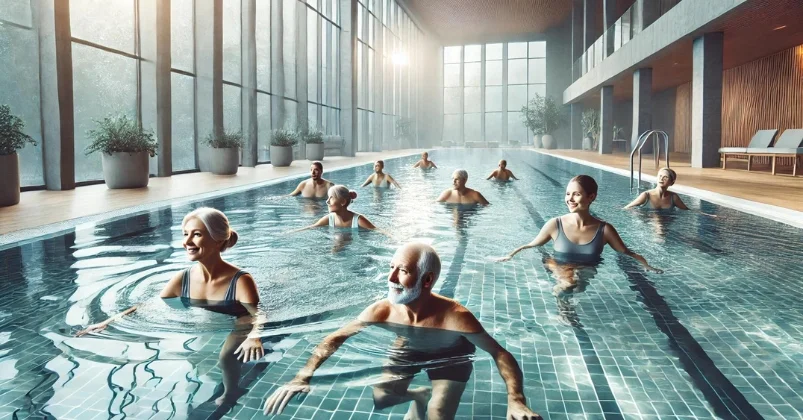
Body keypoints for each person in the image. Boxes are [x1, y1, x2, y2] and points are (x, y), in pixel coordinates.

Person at [263, 243, 542, 420]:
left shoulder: (457, 317)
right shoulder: (382, 311)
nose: (391, 278)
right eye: (391, 267)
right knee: (382, 399)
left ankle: (428, 401)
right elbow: (335, 338)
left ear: (427, 280)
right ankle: (418, 395)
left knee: (438, 414)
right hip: (407, 348)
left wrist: (516, 400)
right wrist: (302, 376)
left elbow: (499, 352)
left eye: (403, 271)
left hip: (451, 356)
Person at [76, 208, 265, 406]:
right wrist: (107, 322)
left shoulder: (240, 280)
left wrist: (255, 336)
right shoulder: (183, 279)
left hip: (240, 317)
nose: (187, 242)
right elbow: (151, 304)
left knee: (226, 357)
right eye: (185, 234)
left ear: (217, 239)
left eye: (197, 234)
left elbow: (258, 313)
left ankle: (231, 393)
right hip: (209, 315)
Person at [496, 175, 662, 272]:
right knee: (567, 283)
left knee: (572, 282)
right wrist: (509, 255)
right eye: (568, 194)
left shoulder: (605, 230)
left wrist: (648, 266)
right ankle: (564, 307)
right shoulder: (555, 224)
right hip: (558, 267)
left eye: (576, 194)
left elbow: (627, 252)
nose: (570, 199)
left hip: (586, 270)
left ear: (591, 197)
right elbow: (530, 245)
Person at [292, 185, 379, 231]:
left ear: (343, 202)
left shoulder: (359, 220)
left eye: (331, 198)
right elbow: (311, 227)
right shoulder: (329, 219)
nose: (327, 201)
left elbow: (379, 232)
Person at [624, 168, 689, 210]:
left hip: (666, 224)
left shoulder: (673, 197)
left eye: (665, 177)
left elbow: (687, 211)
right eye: (660, 176)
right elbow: (627, 208)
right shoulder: (646, 195)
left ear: (671, 182)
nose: (661, 179)